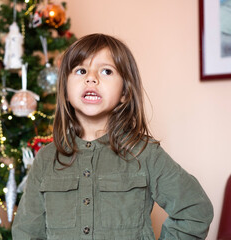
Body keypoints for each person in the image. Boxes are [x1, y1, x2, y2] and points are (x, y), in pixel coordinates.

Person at [11, 33, 213, 240]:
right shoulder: (46, 159)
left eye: (106, 71)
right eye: (81, 70)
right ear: (65, 90)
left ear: (125, 92)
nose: (91, 78)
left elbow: (195, 210)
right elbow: (26, 233)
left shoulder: (145, 153)